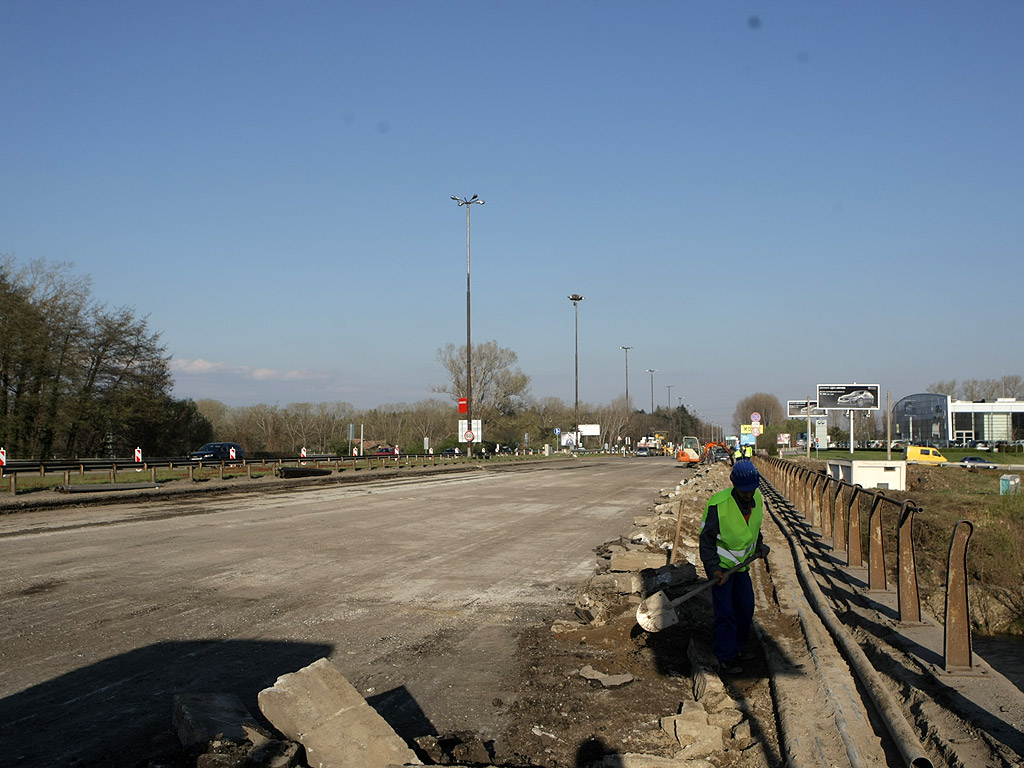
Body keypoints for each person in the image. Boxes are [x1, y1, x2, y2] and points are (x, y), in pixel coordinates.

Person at [699, 459, 769, 674]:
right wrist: (714, 570)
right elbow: (707, 542)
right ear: (734, 486)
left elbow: (753, 528)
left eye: (752, 490)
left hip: (741, 569)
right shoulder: (718, 506)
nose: (749, 495)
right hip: (722, 570)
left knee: (746, 608)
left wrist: (760, 545)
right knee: (725, 613)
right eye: (744, 491)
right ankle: (725, 656)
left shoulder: (757, 498)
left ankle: (738, 648)